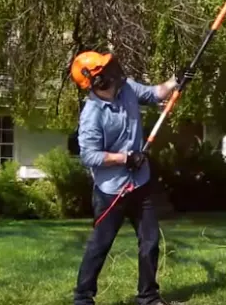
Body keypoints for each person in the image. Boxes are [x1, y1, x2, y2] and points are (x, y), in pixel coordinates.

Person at [70, 50, 180, 305]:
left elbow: (154, 94)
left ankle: (148, 297)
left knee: (150, 242)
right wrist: (125, 158)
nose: (115, 71)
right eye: (107, 69)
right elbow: (89, 156)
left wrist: (177, 79)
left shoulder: (127, 88)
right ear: (97, 81)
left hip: (141, 183)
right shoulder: (92, 115)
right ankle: (83, 299)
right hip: (111, 192)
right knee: (100, 246)